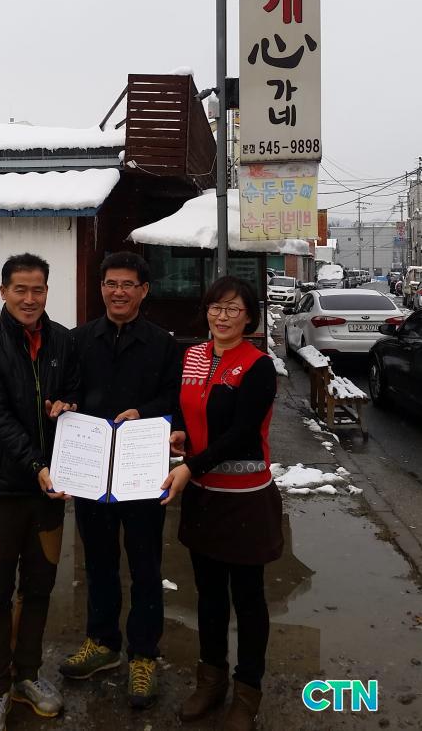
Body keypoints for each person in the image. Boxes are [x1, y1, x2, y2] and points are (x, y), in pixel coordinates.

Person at [56, 251, 181, 709]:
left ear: (144, 291)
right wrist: (65, 405)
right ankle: (103, 642)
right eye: (111, 283)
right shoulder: (79, 340)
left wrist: (143, 413)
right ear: (101, 288)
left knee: (145, 565)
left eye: (128, 284)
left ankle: (144, 654)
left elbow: (174, 398)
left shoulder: (163, 344)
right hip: (91, 471)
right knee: (99, 562)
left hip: (140, 471)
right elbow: (68, 390)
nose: (118, 292)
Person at [0, 253, 79, 731]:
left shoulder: (63, 341)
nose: (30, 299)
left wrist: (68, 404)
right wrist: (37, 465)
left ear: (47, 291)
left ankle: (27, 674)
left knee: (39, 587)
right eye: (21, 290)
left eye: (38, 290)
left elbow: (75, 392)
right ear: (4, 292)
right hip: (2, 487)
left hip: (49, 488)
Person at [161, 275, 283, 731]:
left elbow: (242, 433)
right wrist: (179, 432)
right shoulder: (192, 356)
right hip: (204, 496)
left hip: (245, 499)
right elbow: (187, 408)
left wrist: (191, 465)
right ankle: (209, 681)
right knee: (209, 595)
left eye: (233, 309)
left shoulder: (258, 366)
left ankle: (247, 692)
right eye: (216, 307)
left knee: (248, 599)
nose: (223, 316)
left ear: (249, 318)